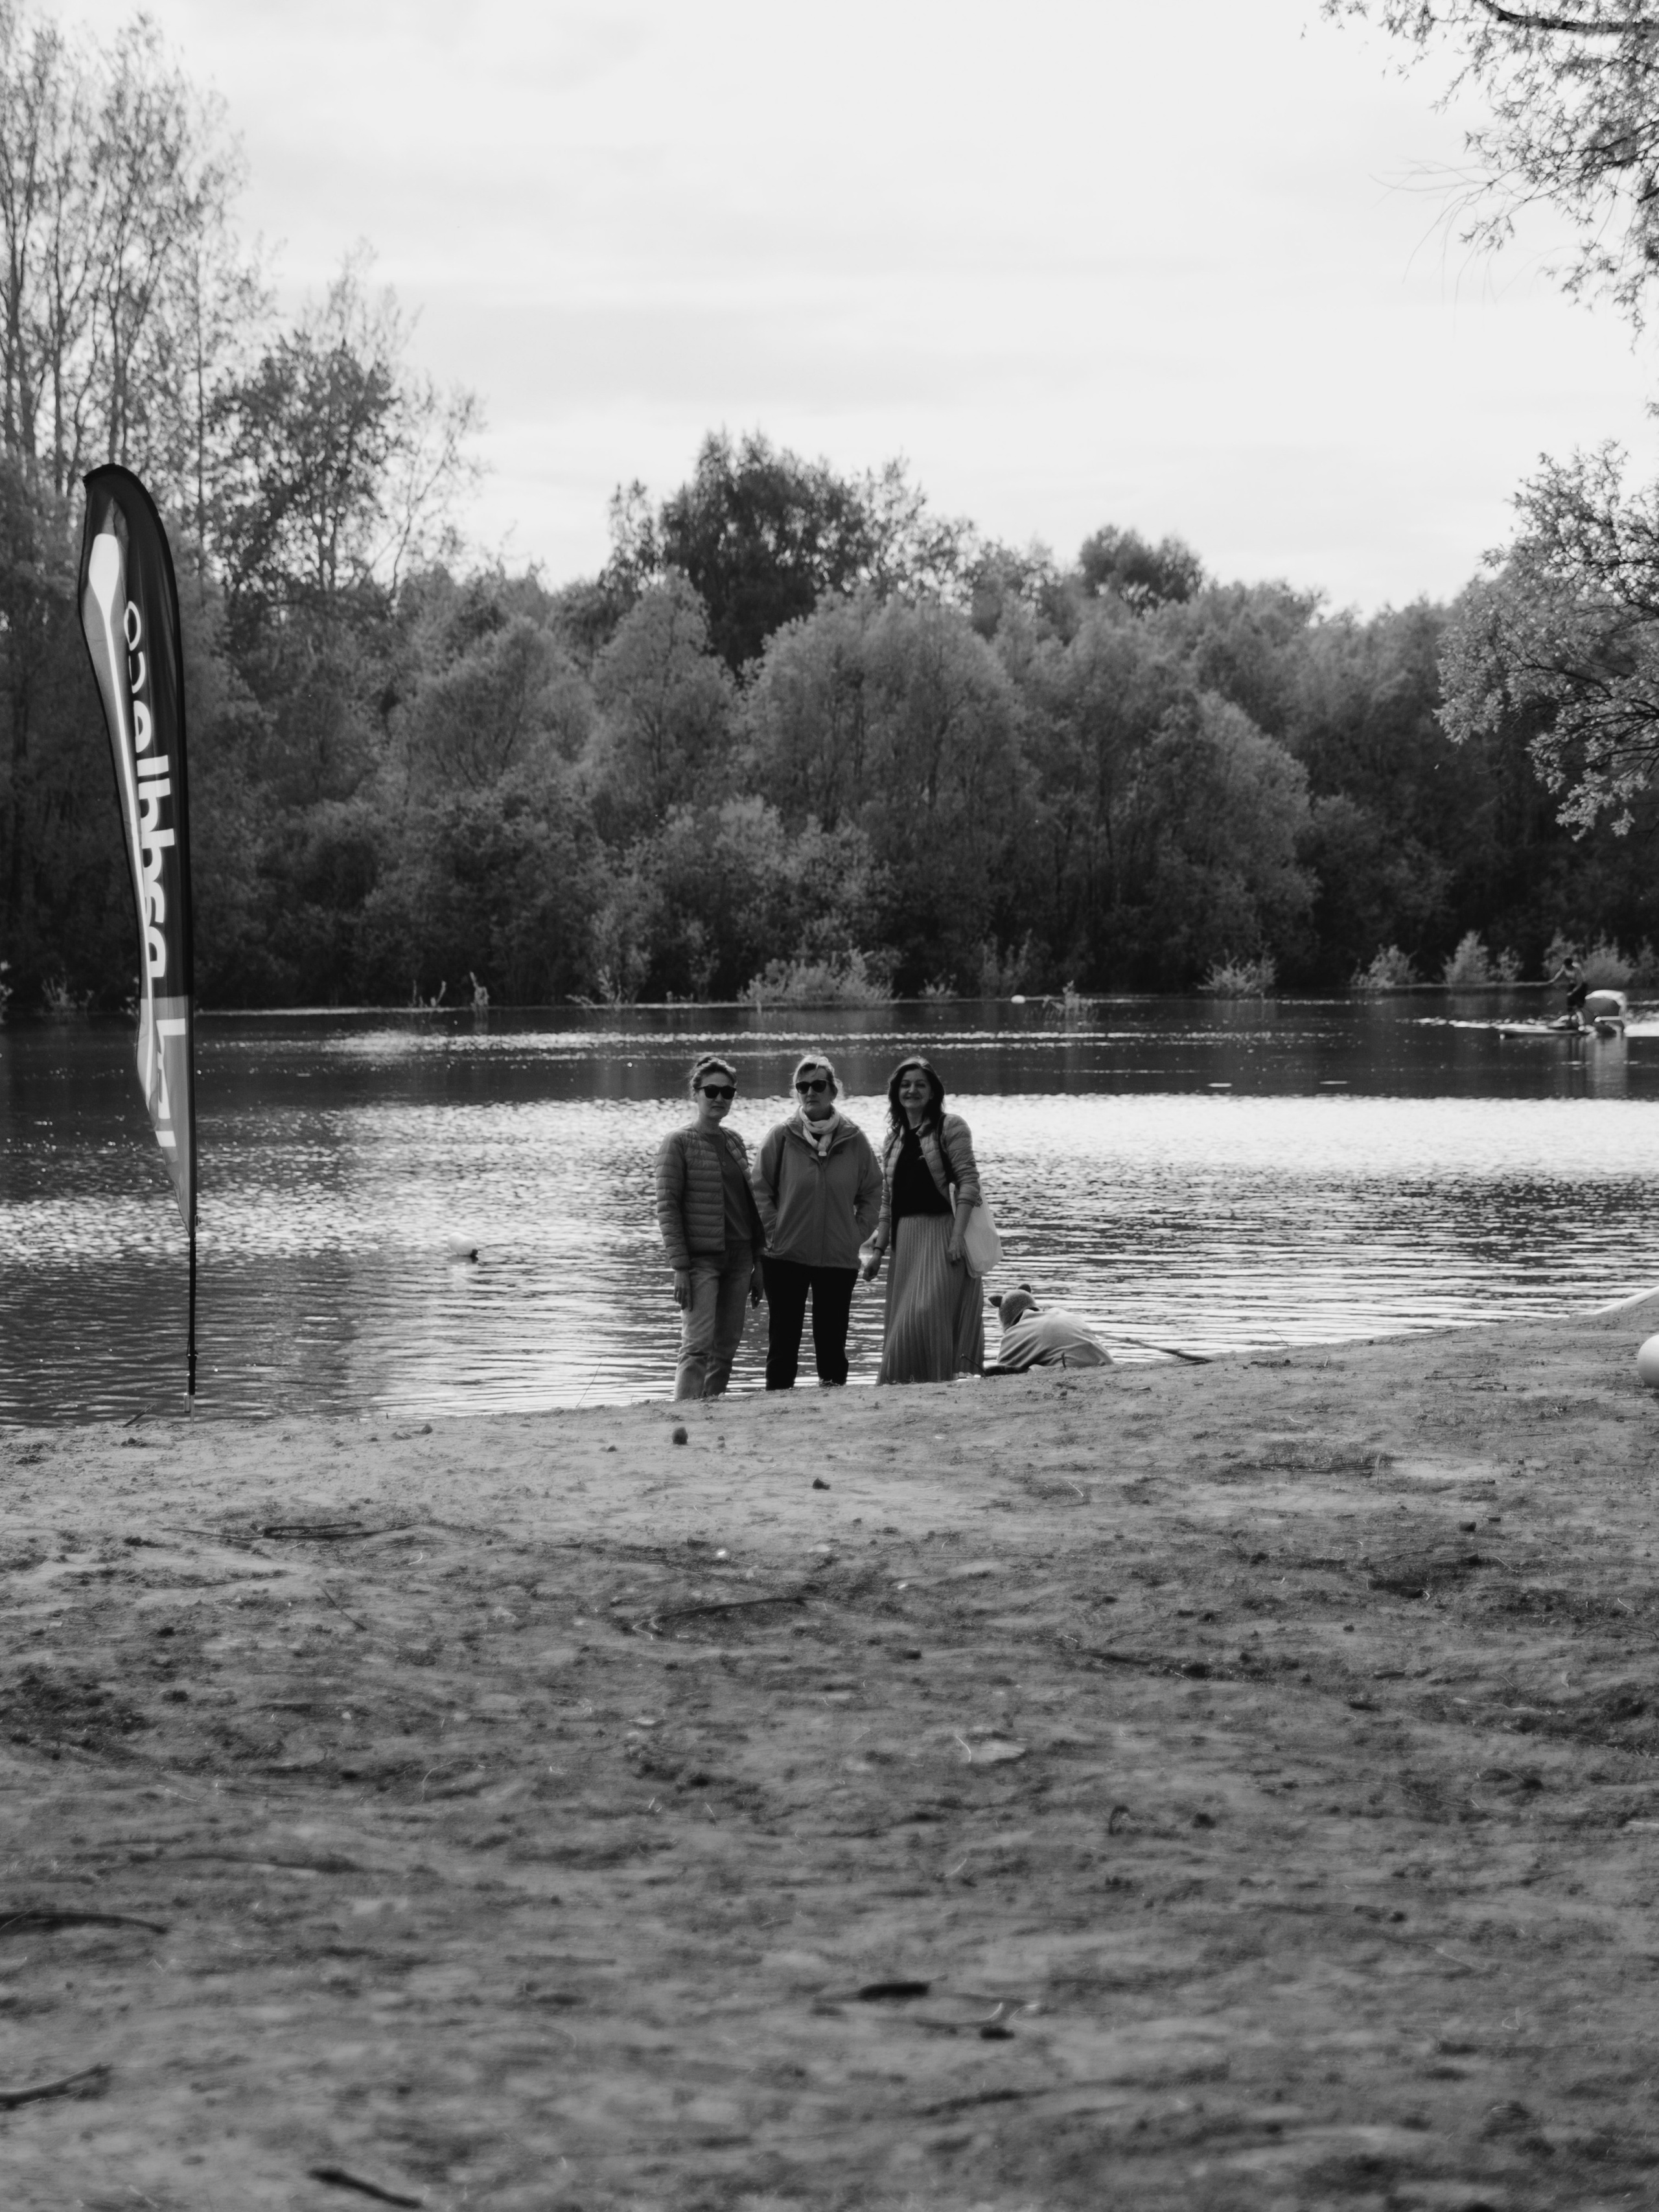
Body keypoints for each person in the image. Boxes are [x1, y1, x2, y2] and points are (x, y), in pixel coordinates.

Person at [752, 1053, 882, 1390]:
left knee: (833, 1348)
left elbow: (873, 1190)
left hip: (837, 1257)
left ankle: (833, 1411)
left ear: (833, 1091)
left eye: (818, 1085)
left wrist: (856, 1233)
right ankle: (776, 1410)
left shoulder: (854, 1139)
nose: (810, 1092)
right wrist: (774, 1230)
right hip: (785, 1256)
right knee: (782, 1347)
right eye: (803, 1086)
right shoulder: (781, 1136)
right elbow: (759, 1189)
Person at [859, 1056, 985, 1384]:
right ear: (896, 1093)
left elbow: (969, 1183)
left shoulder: (951, 1126)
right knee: (905, 1318)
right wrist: (877, 1253)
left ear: (932, 1092)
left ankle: (939, 1383)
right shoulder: (893, 1140)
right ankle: (902, 1385)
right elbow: (887, 1202)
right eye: (905, 1085)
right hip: (907, 1241)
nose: (911, 1090)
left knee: (928, 1313)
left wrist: (957, 1237)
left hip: (944, 1234)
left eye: (920, 1085)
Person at [655, 1054, 766, 1401]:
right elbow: (668, 1209)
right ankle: (684, 1414)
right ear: (696, 1093)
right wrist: (680, 1268)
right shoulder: (677, 1142)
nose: (719, 1098)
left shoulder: (734, 1141)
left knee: (726, 1347)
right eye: (712, 1091)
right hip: (701, 1262)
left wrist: (759, 1262)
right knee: (697, 1346)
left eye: (727, 1092)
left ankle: (710, 1412)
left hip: (740, 1259)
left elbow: (750, 1206)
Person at [987, 1285, 1111, 1373]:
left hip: (1077, 1370)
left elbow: (1002, 1365)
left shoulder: (1014, 1334)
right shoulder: (1061, 1312)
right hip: (1109, 1364)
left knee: (1033, 1370)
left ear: (1005, 1319)